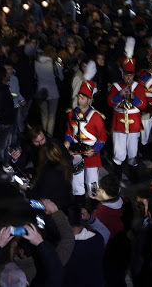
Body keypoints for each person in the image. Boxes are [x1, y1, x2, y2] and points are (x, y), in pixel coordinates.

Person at [63, 60, 107, 202]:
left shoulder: (97, 118)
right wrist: (67, 142)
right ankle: (79, 206)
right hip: (76, 152)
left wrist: (94, 150)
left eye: (82, 97)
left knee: (92, 183)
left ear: (89, 100)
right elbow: (70, 131)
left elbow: (102, 138)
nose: (79, 100)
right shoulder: (71, 114)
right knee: (77, 184)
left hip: (91, 154)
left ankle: (93, 206)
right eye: (78, 97)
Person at [107, 37, 147, 181]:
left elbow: (143, 105)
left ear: (134, 75)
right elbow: (110, 102)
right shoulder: (116, 86)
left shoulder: (139, 87)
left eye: (130, 74)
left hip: (134, 124)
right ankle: (116, 177)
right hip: (119, 124)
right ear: (122, 73)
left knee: (133, 152)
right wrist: (120, 95)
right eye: (126, 74)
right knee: (119, 153)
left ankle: (133, 176)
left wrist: (132, 98)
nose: (128, 77)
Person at [25, 139, 73, 210]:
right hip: (62, 202)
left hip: (49, 206)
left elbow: (41, 197)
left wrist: (26, 189)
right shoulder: (65, 165)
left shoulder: (49, 172)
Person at [0, 66, 16, 173]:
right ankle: (1, 165)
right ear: (3, 76)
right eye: (7, 72)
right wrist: (3, 121)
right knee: (2, 145)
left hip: (7, 121)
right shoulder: (0, 90)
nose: (9, 74)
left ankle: (5, 163)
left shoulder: (3, 87)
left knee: (6, 144)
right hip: (4, 122)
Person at [35, 45, 64, 136]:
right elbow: (61, 78)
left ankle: (43, 136)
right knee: (52, 117)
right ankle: (49, 136)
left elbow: (34, 77)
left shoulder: (36, 63)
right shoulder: (54, 64)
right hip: (53, 92)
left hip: (40, 92)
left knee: (44, 115)